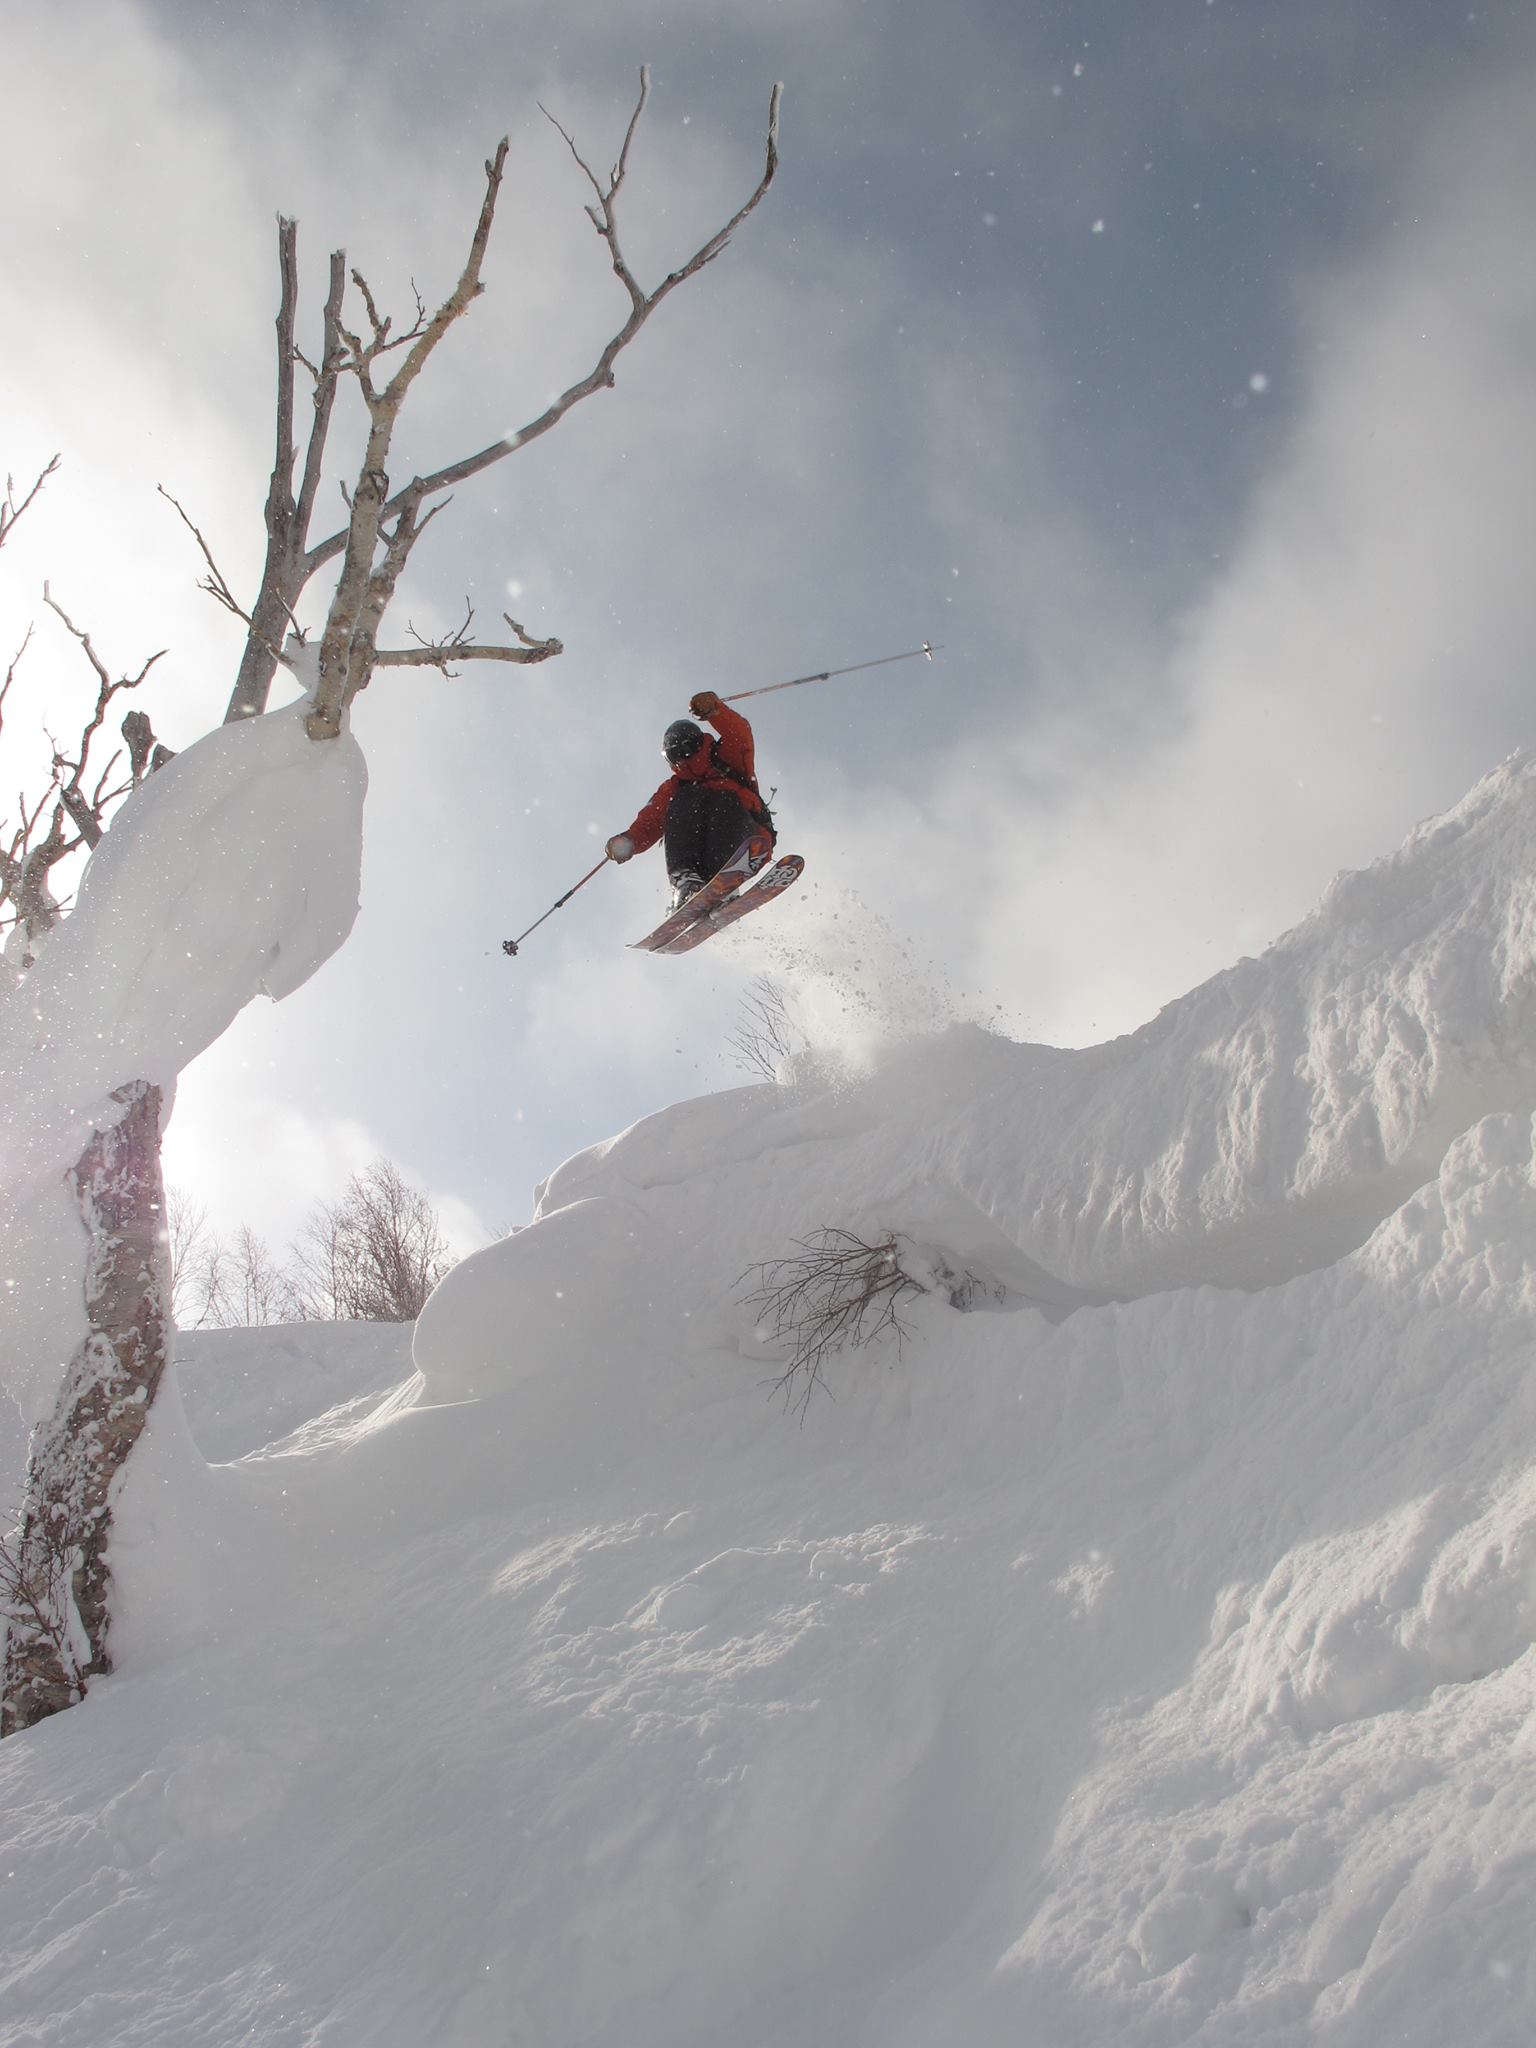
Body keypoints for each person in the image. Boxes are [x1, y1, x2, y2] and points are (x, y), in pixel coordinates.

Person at [606, 691, 775, 909]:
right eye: (676, 754)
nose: (684, 757)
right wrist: (629, 841)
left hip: (749, 834)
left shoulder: (724, 758)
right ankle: (688, 881)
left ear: (697, 742)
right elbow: (650, 821)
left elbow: (739, 734)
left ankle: (722, 878)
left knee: (723, 799)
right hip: (704, 855)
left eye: (686, 749)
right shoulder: (676, 788)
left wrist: (714, 710)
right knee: (683, 799)